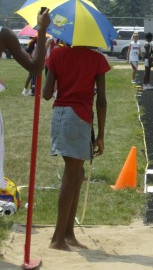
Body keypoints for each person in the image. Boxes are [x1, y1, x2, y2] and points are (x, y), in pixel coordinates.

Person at [43, 42, 110, 250]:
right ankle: (57, 238)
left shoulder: (56, 54)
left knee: (77, 174)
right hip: (79, 117)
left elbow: (46, 93)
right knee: (72, 175)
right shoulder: (97, 59)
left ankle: (68, 232)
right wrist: (101, 134)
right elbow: (102, 101)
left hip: (60, 116)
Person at [0, 9, 50, 188]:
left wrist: (42, 31)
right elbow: (36, 68)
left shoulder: (4, 34)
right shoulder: (4, 35)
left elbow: (36, 68)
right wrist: (42, 29)